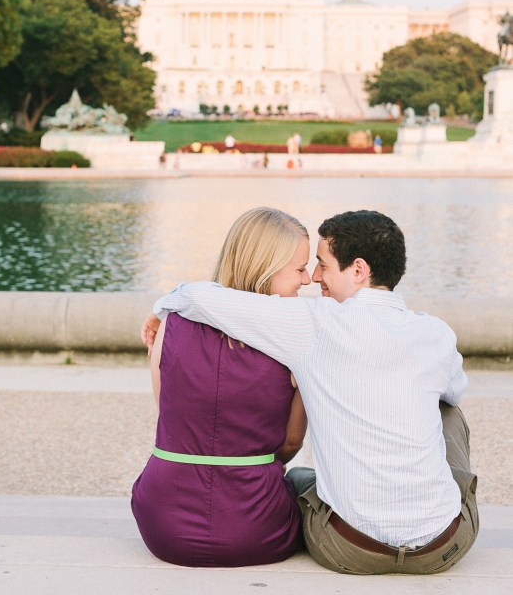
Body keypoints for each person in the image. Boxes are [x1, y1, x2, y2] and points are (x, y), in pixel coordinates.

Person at [143, 210, 478, 575]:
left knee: (301, 481)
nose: (314, 277)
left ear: (358, 270)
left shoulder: (314, 324)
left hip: (350, 549)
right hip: (444, 546)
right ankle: (435, 500)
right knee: (447, 409)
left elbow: (201, 297)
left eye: (322, 265)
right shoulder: (437, 334)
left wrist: (164, 305)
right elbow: (455, 393)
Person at [131, 207, 310, 567]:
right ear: (267, 267)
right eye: (300, 269)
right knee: (309, 483)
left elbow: (170, 415)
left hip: (162, 527)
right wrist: (248, 468)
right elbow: (290, 443)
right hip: (257, 531)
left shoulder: (171, 323)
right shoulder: (294, 337)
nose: (307, 280)